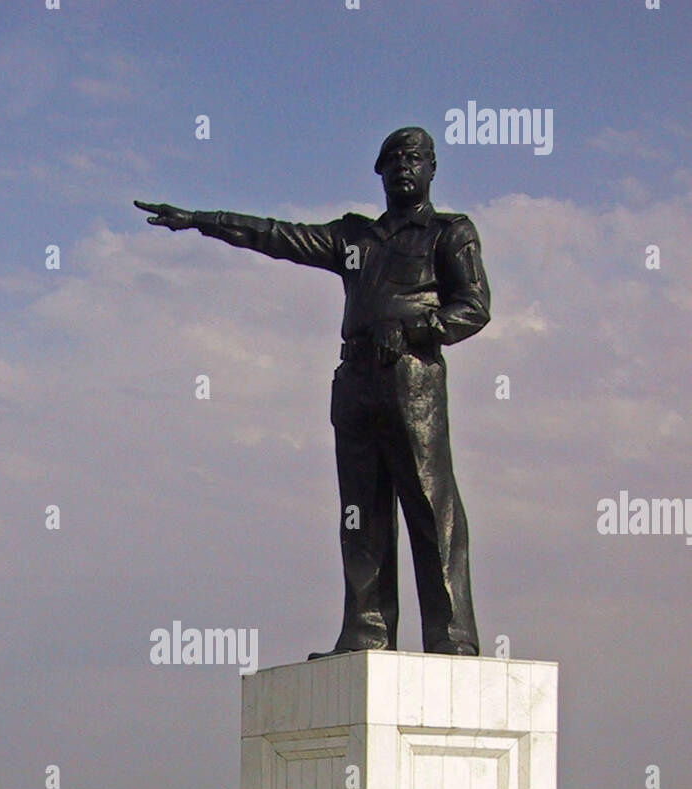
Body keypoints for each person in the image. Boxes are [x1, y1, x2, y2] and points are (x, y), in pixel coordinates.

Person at [135, 126, 490, 658]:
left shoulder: (449, 232)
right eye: (393, 159)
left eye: (415, 158)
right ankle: (367, 632)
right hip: (356, 382)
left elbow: (475, 306)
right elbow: (276, 235)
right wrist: (201, 221)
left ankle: (453, 638)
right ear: (379, 171)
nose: (404, 167)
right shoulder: (355, 239)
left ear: (433, 168)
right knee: (361, 512)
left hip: (412, 378)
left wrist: (420, 329)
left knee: (429, 503)